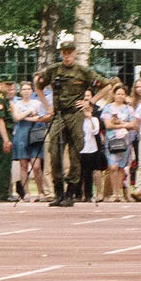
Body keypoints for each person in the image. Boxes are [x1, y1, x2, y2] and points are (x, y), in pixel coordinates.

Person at [34, 38, 96, 205]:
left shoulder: (83, 71)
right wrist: (47, 107)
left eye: (70, 53)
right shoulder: (53, 70)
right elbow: (38, 85)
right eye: (64, 53)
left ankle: (71, 192)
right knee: (53, 150)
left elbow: (105, 85)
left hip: (75, 114)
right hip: (59, 114)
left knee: (75, 152)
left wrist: (89, 101)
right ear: (61, 54)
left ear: (74, 54)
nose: (67, 56)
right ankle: (58, 191)